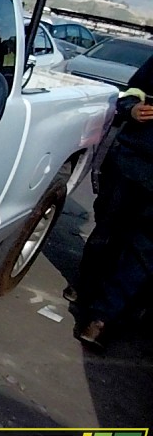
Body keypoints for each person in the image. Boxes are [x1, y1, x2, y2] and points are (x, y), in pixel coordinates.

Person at [70, 54, 153, 349]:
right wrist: (132, 109)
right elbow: (132, 92)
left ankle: (101, 318)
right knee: (107, 233)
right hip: (131, 163)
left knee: (144, 252)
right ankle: (85, 287)